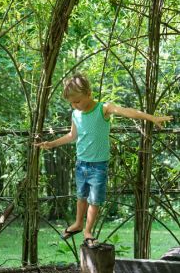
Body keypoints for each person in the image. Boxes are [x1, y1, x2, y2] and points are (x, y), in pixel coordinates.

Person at [35, 73, 172, 248]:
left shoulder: (103, 109)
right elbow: (72, 135)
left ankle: (88, 231)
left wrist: (152, 118)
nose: (74, 105)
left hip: (98, 166)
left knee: (94, 200)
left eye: (77, 101)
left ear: (89, 94)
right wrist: (52, 144)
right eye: (71, 102)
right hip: (81, 164)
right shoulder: (76, 114)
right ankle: (78, 224)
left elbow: (127, 112)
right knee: (81, 196)